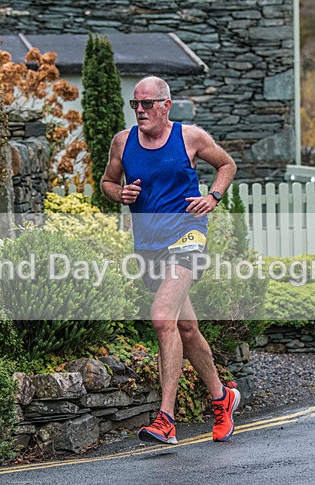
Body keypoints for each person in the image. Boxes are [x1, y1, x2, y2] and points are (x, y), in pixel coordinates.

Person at [100, 76, 240, 445]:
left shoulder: (189, 137)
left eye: (147, 104)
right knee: (186, 328)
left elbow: (226, 165)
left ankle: (166, 419)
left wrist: (212, 196)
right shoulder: (123, 141)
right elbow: (107, 182)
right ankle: (222, 397)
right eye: (135, 105)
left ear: (166, 105)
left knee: (163, 316)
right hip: (149, 245)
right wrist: (121, 193)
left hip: (188, 236)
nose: (140, 111)